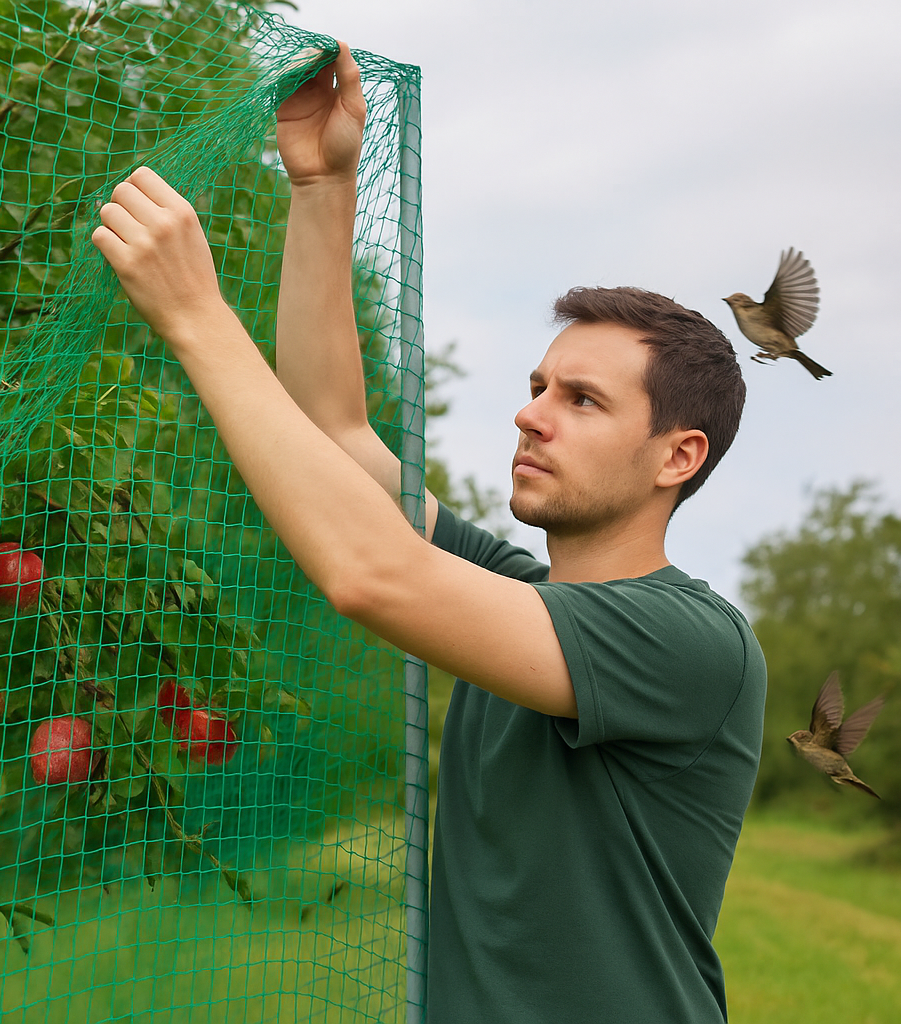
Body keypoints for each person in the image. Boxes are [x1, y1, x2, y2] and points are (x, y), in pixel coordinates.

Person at [92, 44, 766, 1024]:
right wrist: (322, 187)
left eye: (581, 400)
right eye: (537, 387)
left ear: (678, 457)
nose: (530, 415)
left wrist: (197, 315)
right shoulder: (513, 593)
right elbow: (334, 437)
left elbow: (373, 574)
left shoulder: (691, 641)